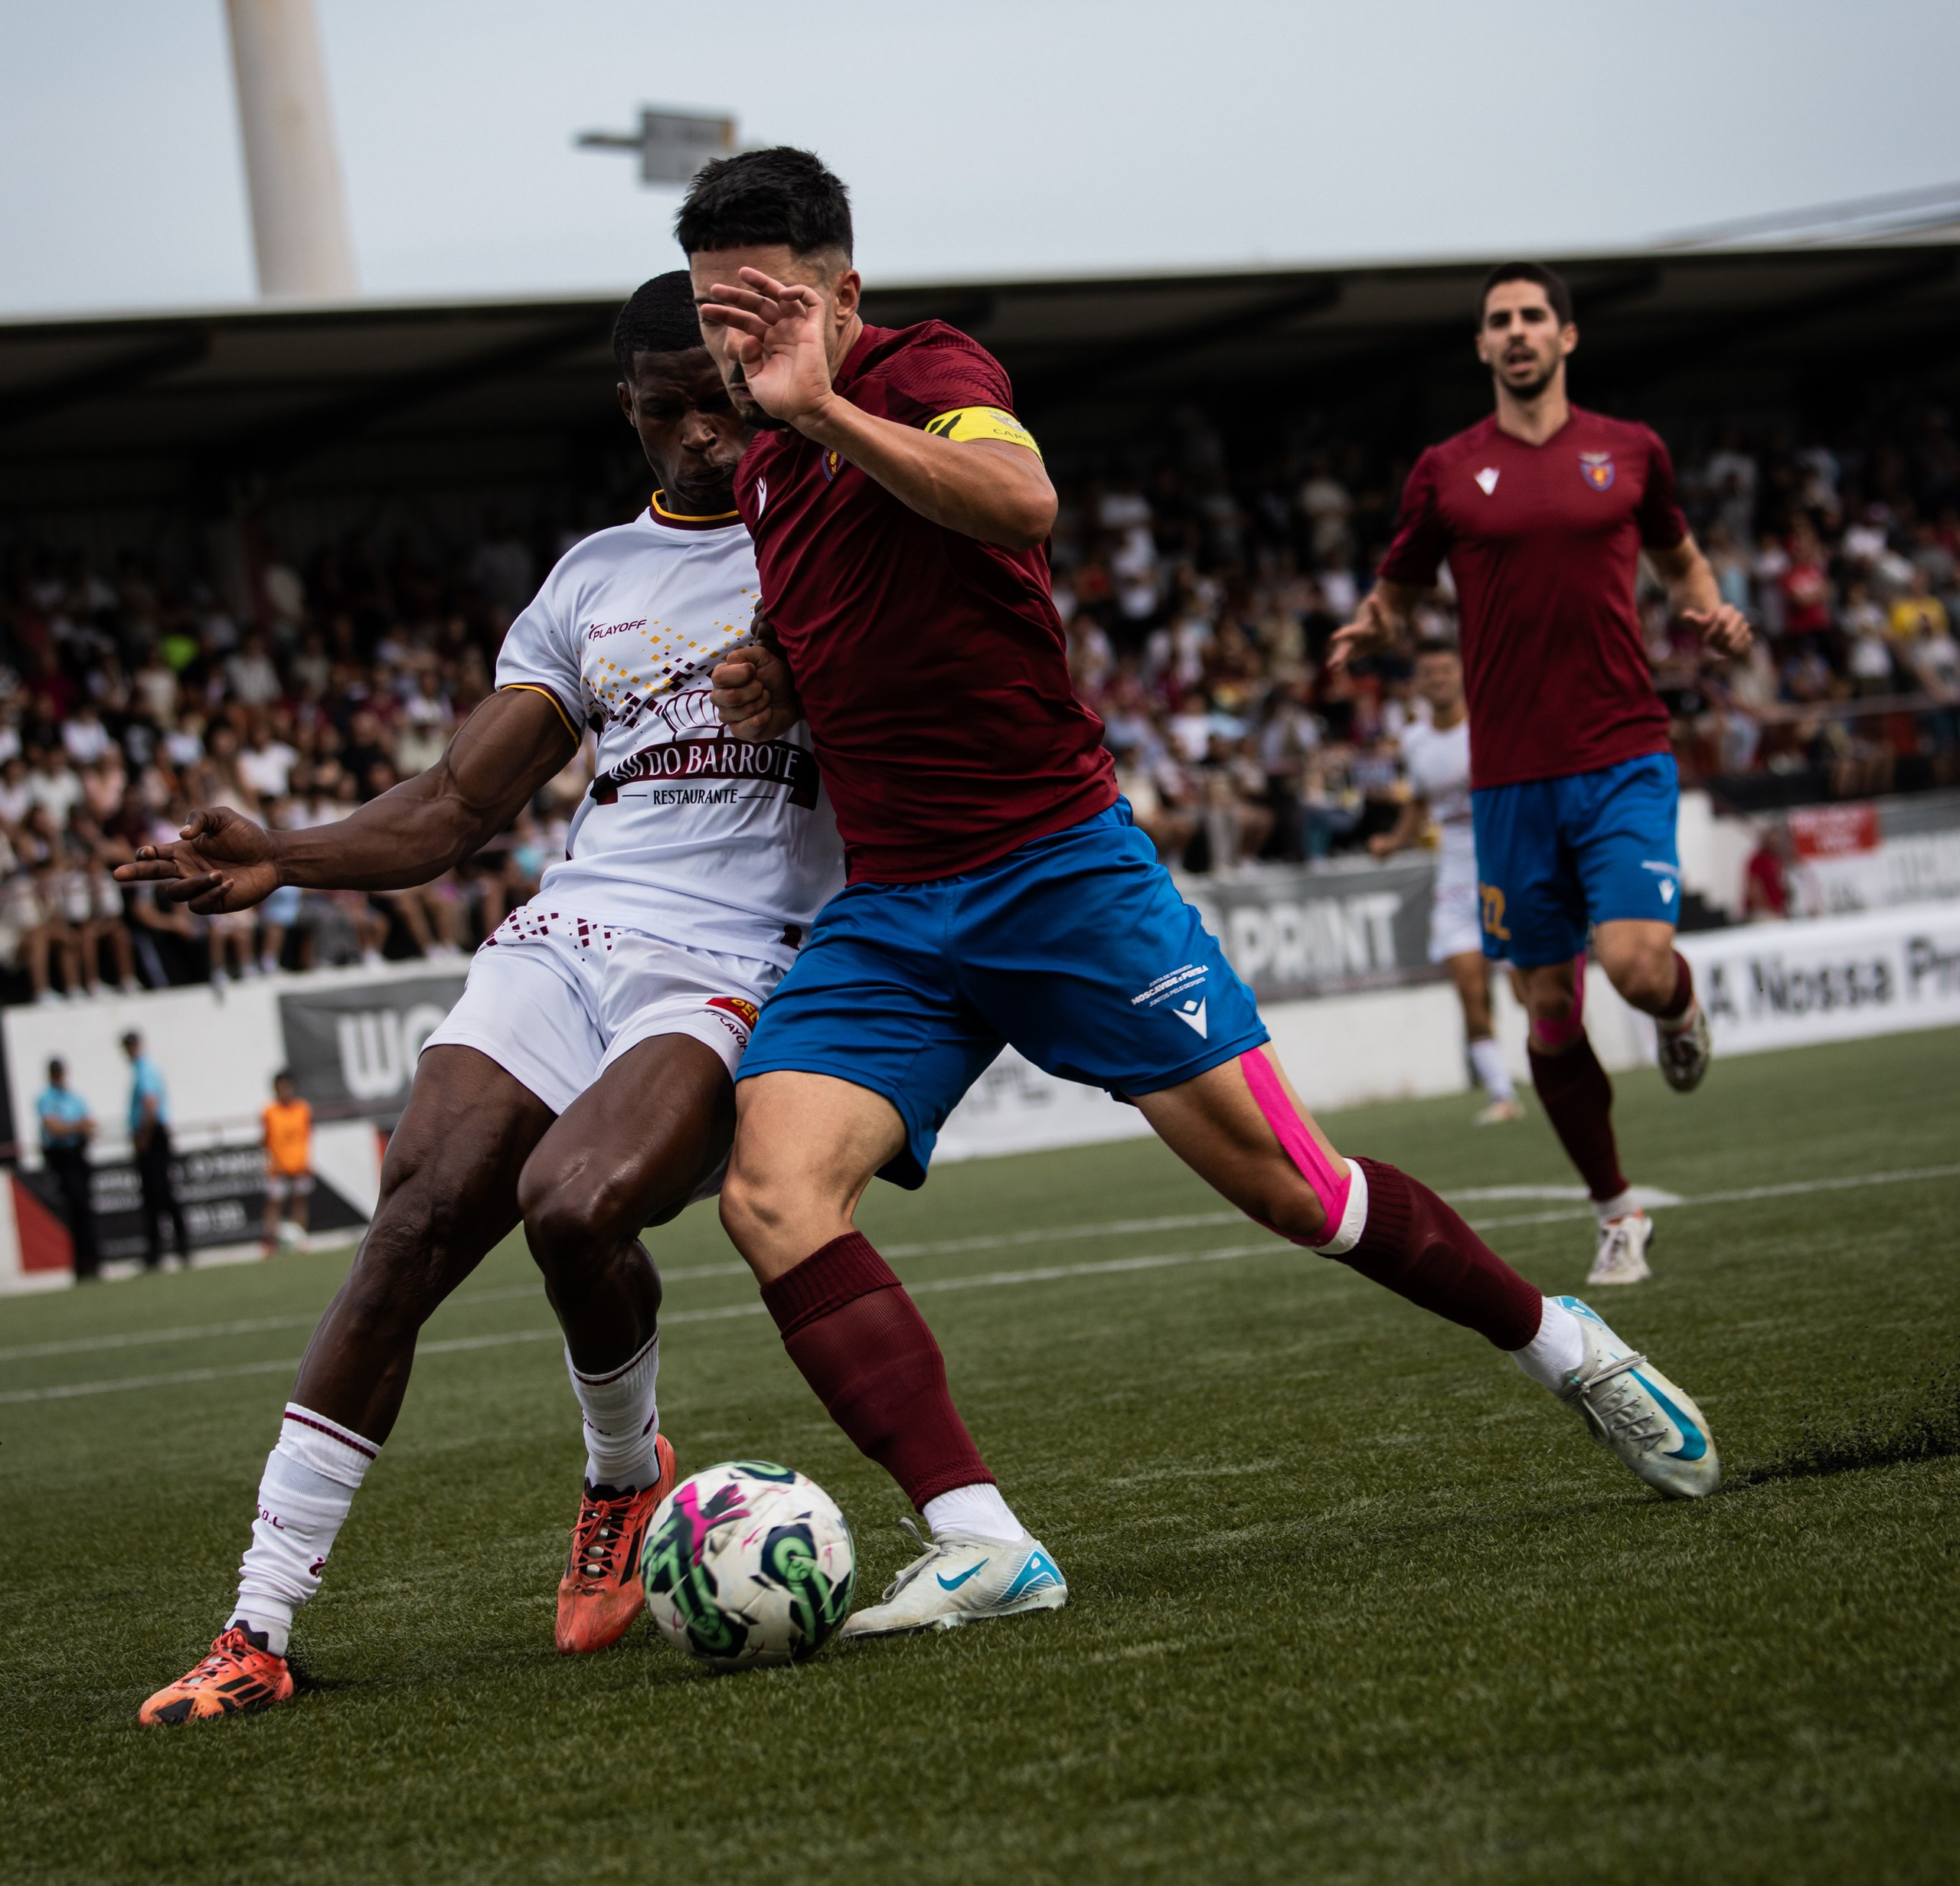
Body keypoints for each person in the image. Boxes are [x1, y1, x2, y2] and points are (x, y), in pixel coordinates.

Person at [681, 149, 1720, 1646]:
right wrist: (777, 675)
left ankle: (1563, 1343)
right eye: (718, 315)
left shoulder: (920, 373)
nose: (738, 343)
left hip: (1055, 869)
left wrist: (824, 403)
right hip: (895, 906)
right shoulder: (770, 466)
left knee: (1295, 1191)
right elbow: (853, 613)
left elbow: (1015, 495)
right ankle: (979, 1537)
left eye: (762, 306)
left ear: (842, 290)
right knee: (769, 1190)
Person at [119, 274, 844, 1723]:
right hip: (573, 928)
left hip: (731, 952)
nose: (705, 434)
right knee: (413, 1220)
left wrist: (819, 679)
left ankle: (622, 1476)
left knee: (574, 1203)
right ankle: (256, 1628)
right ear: (627, 410)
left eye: (724, 400)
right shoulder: (590, 580)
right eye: (669, 410)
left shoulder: (838, 536)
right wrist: (287, 855)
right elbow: (458, 803)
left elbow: (953, 701)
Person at [1331, 263, 1751, 1288]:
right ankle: (1617, 1212)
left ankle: (1681, 1008)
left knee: (1639, 966)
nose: (1516, 333)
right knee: (1550, 1011)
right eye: (1498, 321)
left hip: (1621, 752)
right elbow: (1399, 589)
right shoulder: (1444, 470)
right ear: (1482, 347)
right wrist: (1372, 625)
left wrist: (1704, 605)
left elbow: (1681, 561)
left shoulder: (1630, 450)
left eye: (1533, 318)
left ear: (1567, 337)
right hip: (1508, 781)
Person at [1369, 638, 1522, 1123]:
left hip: (1505, 863)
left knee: (1528, 987)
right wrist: (1394, 842)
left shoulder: (1487, 727)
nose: (1437, 680)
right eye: (1428, 673)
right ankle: (1502, 1093)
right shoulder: (1415, 741)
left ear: (1462, 675)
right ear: (1418, 684)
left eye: (1445, 671)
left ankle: (1561, 1063)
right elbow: (1418, 803)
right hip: (1455, 872)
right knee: (1467, 985)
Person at [121, 1028, 191, 1272]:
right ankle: (174, 1246)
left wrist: (144, 1136)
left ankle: (165, 1248)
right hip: (152, 1134)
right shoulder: (142, 1069)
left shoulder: (145, 1070)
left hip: (152, 1136)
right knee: (159, 1193)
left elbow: (150, 1104)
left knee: (158, 1194)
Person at [34, 1057, 100, 1280]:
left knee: (85, 1209)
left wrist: (72, 1128)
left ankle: (93, 1263)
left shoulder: (74, 1097)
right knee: (74, 1210)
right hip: (61, 1158)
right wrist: (75, 1127)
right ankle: (80, 1266)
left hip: (78, 1155)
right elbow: (54, 1128)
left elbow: (90, 1124)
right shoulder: (46, 1098)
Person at [261, 1068, 314, 1254]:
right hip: (278, 1167)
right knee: (274, 1203)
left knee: (299, 1201)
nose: (284, 1091)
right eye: (280, 1087)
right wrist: (272, 1162)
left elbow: (307, 1137)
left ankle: (300, 1238)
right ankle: (270, 1242)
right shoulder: (269, 1112)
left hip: (299, 1164)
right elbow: (266, 1140)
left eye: (287, 1087)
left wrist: (307, 1161)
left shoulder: (302, 1109)